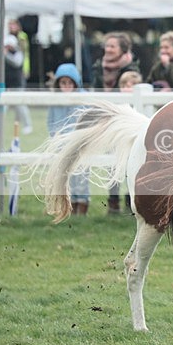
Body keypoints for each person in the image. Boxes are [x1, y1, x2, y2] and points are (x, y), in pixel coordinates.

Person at [91, 32, 140, 214]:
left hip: (127, 120)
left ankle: (130, 201)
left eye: (113, 46)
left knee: (130, 162)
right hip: (107, 120)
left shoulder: (132, 69)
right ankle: (112, 201)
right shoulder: (98, 67)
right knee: (110, 164)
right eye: (107, 45)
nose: (108, 49)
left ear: (122, 49)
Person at [47, 63, 90, 215]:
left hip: (80, 144)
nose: (66, 86)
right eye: (63, 83)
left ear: (75, 83)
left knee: (81, 175)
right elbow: (51, 122)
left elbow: (88, 121)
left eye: (70, 83)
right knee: (66, 176)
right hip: (62, 144)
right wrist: (55, 139)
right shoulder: (55, 101)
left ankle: (83, 203)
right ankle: (70, 205)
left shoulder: (84, 99)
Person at [1, 34, 34, 134]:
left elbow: (17, 62)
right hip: (7, 85)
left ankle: (28, 125)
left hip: (17, 84)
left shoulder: (18, 53)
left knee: (21, 106)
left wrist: (6, 55)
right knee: (2, 106)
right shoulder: (4, 55)